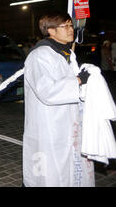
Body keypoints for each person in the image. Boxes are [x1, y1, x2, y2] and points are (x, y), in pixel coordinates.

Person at [23, 11, 94, 187]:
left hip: (68, 124)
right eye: (65, 26)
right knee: (50, 173)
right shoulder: (40, 55)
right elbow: (46, 90)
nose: (71, 29)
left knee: (68, 169)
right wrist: (77, 81)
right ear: (51, 31)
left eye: (71, 25)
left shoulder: (67, 53)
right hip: (49, 125)